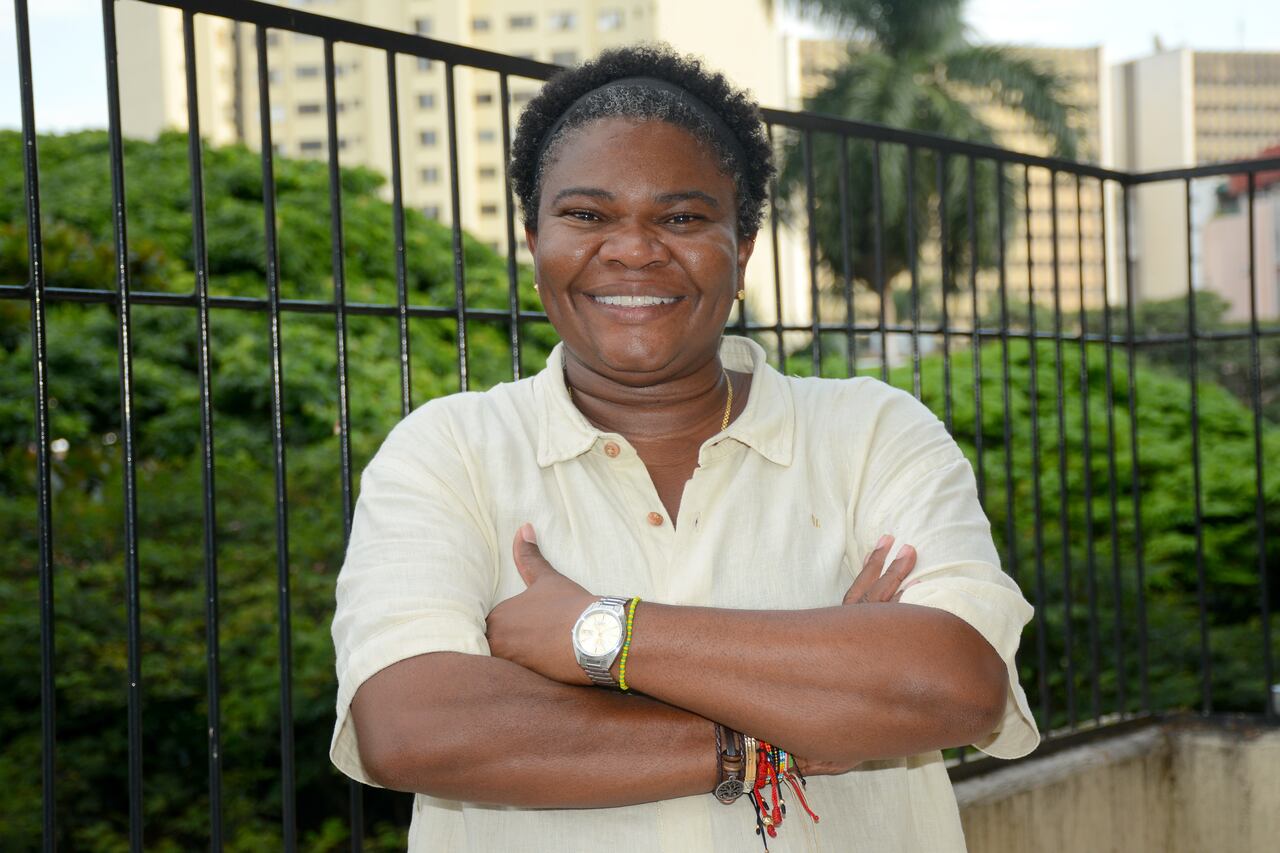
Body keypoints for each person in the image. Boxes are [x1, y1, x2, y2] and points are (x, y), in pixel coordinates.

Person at [330, 44, 1038, 852]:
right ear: (533, 240)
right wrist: (788, 723)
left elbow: (954, 684)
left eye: (681, 218)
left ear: (743, 247)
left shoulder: (873, 432)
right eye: (587, 216)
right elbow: (411, 726)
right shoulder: (447, 451)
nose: (634, 250)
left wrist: (596, 631)